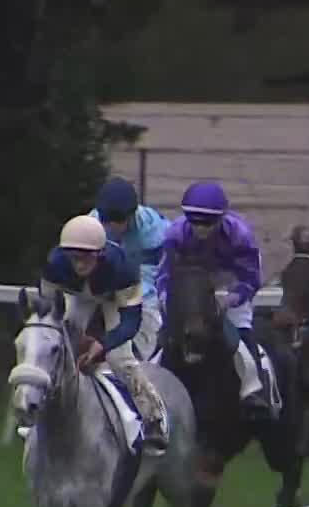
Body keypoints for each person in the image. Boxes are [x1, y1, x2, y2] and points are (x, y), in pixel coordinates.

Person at [39, 215, 168, 451]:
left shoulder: (123, 267)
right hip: (76, 297)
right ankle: (39, 410)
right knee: (54, 346)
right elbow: (47, 309)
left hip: (113, 299)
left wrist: (103, 344)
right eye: (74, 258)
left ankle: (153, 418)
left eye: (86, 257)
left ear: (100, 253)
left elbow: (131, 321)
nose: (79, 265)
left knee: (120, 358)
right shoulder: (55, 265)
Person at [154, 179, 275, 416]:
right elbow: (164, 275)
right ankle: (151, 385)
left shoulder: (240, 235)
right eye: (195, 221)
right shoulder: (175, 234)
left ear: (221, 218)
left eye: (207, 223)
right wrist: (167, 300)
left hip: (228, 285)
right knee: (162, 334)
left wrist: (230, 299)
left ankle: (253, 388)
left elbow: (251, 278)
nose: (200, 228)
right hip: (188, 289)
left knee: (240, 328)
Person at [89, 176, 169, 359]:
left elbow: (150, 280)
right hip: (102, 290)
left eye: (118, 220)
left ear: (132, 215)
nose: (112, 226)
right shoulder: (90, 225)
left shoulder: (155, 231)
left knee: (150, 321)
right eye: (106, 219)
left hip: (143, 291)